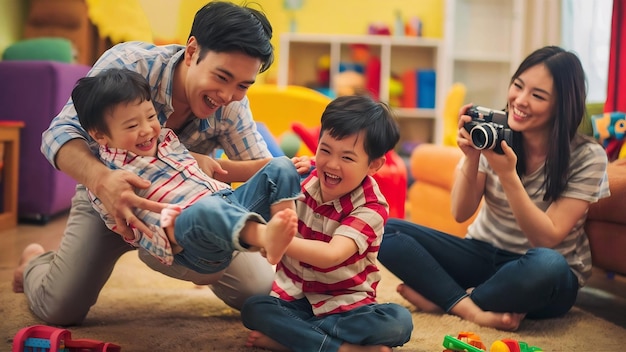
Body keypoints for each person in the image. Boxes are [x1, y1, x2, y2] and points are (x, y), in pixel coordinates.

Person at [13, 1, 280, 325]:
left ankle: (166, 252)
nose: (227, 95)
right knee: (58, 309)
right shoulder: (129, 64)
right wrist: (102, 180)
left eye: (242, 85)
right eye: (222, 77)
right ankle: (33, 263)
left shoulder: (233, 106)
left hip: (185, 213)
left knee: (258, 287)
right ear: (193, 51)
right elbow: (59, 133)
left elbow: (260, 167)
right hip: (110, 200)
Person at [377, 45, 610, 331]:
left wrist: (508, 176)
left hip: (540, 272)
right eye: (518, 86)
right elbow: (460, 212)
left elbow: (547, 239)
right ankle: (473, 309)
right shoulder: (496, 133)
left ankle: (446, 299)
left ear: (562, 105)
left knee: (548, 265)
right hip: (482, 253)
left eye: (537, 96)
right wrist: (471, 157)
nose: (520, 100)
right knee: (382, 227)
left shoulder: (587, 156)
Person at [71, 68, 302, 273]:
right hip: (194, 241)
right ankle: (265, 236)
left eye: (151, 116)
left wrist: (282, 168)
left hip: (228, 204)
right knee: (207, 208)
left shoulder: (165, 138)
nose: (147, 130)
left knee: (281, 166)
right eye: (132, 125)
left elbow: (218, 171)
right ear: (99, 135)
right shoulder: (113, 177)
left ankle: (285, 240)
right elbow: (132, 230)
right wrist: (171, 233)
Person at [241, 95, 414, 352]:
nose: (331, 164)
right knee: (254, 309)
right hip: (294, 300)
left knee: (398, 323)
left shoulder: (371, 207)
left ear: (374, 165)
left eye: (347, 158)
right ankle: (342, 349)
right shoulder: (302, 177)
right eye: (325, 150)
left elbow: (331, 255)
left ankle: (296, 340)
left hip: (345, 307)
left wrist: (274, 238)